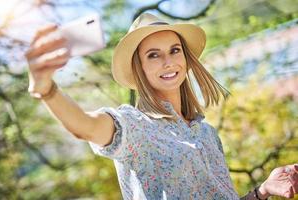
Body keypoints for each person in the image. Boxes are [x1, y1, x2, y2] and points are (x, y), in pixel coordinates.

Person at [25, 13, 298, 200]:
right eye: (153, 55)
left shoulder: (207, 134)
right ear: (139, 67)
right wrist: (45, 88)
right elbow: (85, 126)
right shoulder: (134, 127)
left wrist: (262, 191)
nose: (168, 62)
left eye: (174, 50)